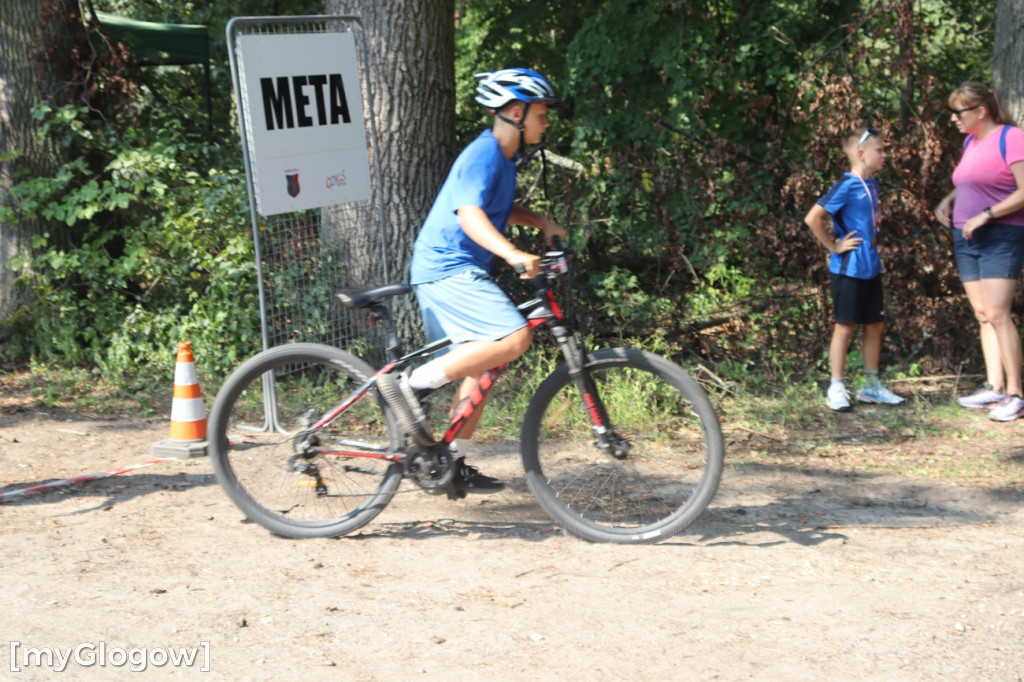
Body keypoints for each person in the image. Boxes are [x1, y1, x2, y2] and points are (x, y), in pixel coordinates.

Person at [376, 68, 566, 493]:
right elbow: (470, 213)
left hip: (456, 270)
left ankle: (450, 463)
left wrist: (539, 221)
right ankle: (410, 385)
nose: (546, 121)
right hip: (446, 269)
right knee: (515, 338)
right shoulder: (484, 154)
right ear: (517, 112)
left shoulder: (504, 158)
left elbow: (495, 206)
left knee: (485, 364)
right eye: (542, 113)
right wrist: (513, 253)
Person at [935, 82, 1024, 422]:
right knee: (983, 314)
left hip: (1001, 234)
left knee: (1000, 313)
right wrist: (949, 200)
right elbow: (969, 181)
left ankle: (1016, 394)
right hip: (966, 236)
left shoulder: (1010, 137)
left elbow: (1023, 191)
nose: (954, 119)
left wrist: (986, 215)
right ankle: (995, 387)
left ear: (980, 111)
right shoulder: (970, 141)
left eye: (959, 112)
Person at [804, 126, 905, 412]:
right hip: (848, 269)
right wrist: (834, 247)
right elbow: (813, 218)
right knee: (845, 326)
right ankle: (836, 387)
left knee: (875, 324)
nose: (885, 154)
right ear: (860, 154)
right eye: (880, 150)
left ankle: (871, 387)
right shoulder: (846, 184)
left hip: (871, 266)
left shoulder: (871, 184)